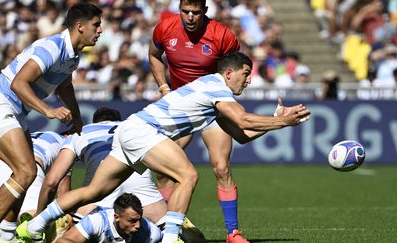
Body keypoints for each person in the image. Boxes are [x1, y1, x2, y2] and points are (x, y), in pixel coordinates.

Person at [18, 52, 310, 243]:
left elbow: (243, 133)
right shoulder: (216, 86)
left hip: (130, 130)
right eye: (246, 73)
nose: (248, 80)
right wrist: (284, 123)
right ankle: (170, 240)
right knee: (189, 176)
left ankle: (36, 224)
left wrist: (275, 119)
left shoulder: (215, 94)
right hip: (143, 131)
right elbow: (244, 117)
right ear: (229, 72)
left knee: (94, 192)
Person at [0, 3, 102, 243]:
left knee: (25, 174)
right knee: (26, 171)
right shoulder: (52, 47)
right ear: (80, 26)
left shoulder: (73, 55)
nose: (100, 30)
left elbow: (65, 86)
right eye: (96, 25)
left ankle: (7, 236)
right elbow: (18, 83)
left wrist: (77, 117)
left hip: (14, 110)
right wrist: (48, 111)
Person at [148, 0, 247, 241]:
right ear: (179, 10)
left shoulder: (222, 35)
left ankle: (232, 232)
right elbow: (154, 55)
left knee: (221, 167)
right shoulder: (164, 29)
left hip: (213, 107)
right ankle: (171, 224)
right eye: (186, 12)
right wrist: (163, 87)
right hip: (181, 107)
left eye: (196, 12)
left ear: (205, 11)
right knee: (162, 170)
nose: (190, 17)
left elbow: (233, 70)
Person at [34, 107, 204, 242]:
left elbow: (52, 181)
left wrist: (41, 215)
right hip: (144, 200)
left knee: (73, 218)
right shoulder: (135, 127)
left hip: (97, 199)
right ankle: (173, 225)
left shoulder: (81, 131)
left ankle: (62, 224)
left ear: (95, 122)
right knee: (166, 225)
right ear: (118, 120)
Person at [0, 131, 68, 242]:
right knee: (60, 218)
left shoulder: (39, 135)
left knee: (0, 228)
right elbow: (62, 195)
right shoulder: (67, 145)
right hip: (24, 173)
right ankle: (26, 227)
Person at [56, 193, 163, 243]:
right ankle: (65, 226)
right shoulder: (97, 221)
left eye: (139, 219)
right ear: (116, 217)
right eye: (132, 221)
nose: (138, 226)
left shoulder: (151, 233)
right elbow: (63, 241)